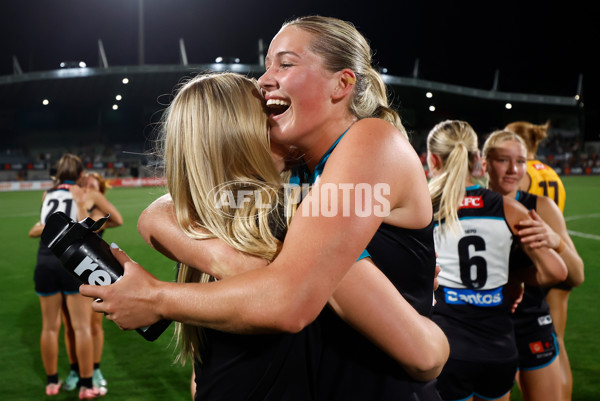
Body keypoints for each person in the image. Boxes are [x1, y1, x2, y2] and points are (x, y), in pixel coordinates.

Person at [82, 15, 448, 400]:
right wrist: (235, 261)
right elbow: (160, 211)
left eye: (285, 63)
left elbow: (291, 300)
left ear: (342, 83)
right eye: (268, 64)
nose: (264, 78)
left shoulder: (371, 139)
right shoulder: (293, 185)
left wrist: (159, 296)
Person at [425, 120, 567, 401]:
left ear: (432, 158)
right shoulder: (509, 209)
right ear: (477, 159)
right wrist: (511, 275)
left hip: (446, 348)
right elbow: (556, 271)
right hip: (499, 350)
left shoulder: (422, 208)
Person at [481, 130, 584, 401]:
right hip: (484, 326)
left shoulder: (542, 208)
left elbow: (577, 275)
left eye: (521, 161)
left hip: (531, 323)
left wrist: (555, 242)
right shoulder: (470, 205)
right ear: (485, 163)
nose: (514, 169)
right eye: (503, 160)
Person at [505, 120, 575, 401]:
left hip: (536, 252)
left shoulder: (521, 172)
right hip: (558, 246)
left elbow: (516, 205)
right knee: (557, 341)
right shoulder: (550, 172)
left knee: (532, 340)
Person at [29, 154, 104, 399]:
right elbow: (94, 222)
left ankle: (51, 382)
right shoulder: (80, 193)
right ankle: (86, 385)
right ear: (81, 174)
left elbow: (41, 226)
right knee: (81, 327)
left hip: (44, 262)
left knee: (49, 328)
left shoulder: (47, 194)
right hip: (70, 262)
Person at [62, 172, 123, 394]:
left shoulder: (96, 208)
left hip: (90, 269)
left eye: (93, 185)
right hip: (68, 268)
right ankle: (74, 370)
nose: (88, 186)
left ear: (99, 190)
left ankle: (94, 370)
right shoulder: (71, 202)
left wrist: (91, 209)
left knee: (93, 326)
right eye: (85, 184)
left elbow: (117, 219)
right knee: (70, 326)